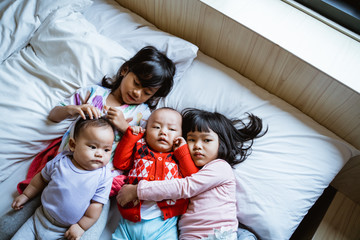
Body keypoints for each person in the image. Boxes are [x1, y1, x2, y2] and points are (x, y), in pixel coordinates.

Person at [0, 46, 176, 240]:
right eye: (136, 83)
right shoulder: (93, 93)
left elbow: (145, 152)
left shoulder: (143, 115)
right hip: (65, 167)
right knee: (10, 224)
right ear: (125, 70)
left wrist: (125, 129)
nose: (137, 93)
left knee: (86, 233)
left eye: (147, 92)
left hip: (100, 183)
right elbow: (54, 114)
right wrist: (74, 109)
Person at [117, 108, 267, 240]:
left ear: (221, 144)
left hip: (218, 235)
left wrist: (138, 190)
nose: (197, 146)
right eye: (191, 139)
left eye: (207, 140)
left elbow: (186, 186)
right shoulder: (186, 168)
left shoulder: (220, 167)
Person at [11, 117, 115, 240]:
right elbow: (41, 178)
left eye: (106, 149)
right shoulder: (61, 161)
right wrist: (26, 195)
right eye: (93, 147)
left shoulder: (103, 177)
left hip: (64, 232)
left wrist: (81, 227)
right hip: (39, 218)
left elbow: (96, 205)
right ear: (72, 145)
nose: (100, 154)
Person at [111, 107, 199, 240]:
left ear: (181, 135)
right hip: (130, 219)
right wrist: (131, 137)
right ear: (146, 130)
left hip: (163, 224)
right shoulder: (139, 146)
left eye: (172, 129)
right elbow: (120, 163)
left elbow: (193, 179)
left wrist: (182, 152)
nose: (163, 132)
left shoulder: (179, 155)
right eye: (156, 127)